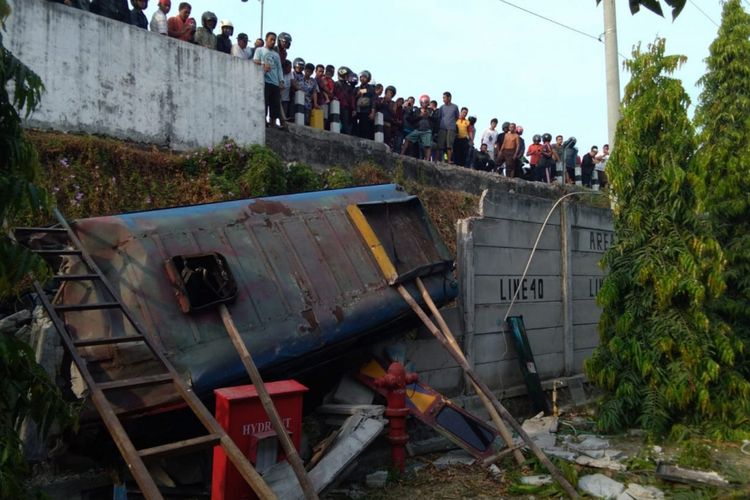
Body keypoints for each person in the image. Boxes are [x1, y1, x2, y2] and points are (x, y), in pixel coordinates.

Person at [253, 32, 286, 130]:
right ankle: (263, 121)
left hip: (275, 82)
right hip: (265, 80)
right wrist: (263, 64)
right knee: (265, 102)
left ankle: (273, 123)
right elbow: (255, 61)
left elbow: (279, 68)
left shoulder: (276, 54)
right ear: (266, 39)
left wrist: (281, 81)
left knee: (275, 104)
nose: (273, 41)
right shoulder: (260, 50)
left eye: (274, 40)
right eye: (271, 39)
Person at [401, 94, 435, 161]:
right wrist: (420, 116)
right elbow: (412, 120)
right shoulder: (417, 110)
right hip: (418, 129)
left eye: (426, 102)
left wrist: (429, 116)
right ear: (420, 103)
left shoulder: (431, 111)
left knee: (427, 145)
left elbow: (435, 120)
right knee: (407, 139)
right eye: (423, 102)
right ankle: (401, 154)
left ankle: (427, 160)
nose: (424, 104)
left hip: (427, 130)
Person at [436, 91, 459, 163]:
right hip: (442, 128)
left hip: (451, 128)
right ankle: (437, 159)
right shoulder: (441, 107)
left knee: (449, 146)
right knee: (440, 145)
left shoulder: (455, 107)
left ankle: (449, 160)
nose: (443, 99)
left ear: (449, 98)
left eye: (444, 98)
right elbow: (439, 117)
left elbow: (456, 117)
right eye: (443, 98)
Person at [333, 66, 355, 135]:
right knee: (335, 121)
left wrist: (353, 109)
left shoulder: (349, 87)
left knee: (345, 124)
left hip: (345, 107)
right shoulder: (336, 84)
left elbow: (352, 99)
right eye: (347, 75)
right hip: (336, 106)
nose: (348, 77)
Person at [354, 70, 375, 139]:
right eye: (361, 77)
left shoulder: (371, 88)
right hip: (357, 110)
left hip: (366, 111)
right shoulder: (356, 88)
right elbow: (353, 97)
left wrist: (372, 112)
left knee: (364, 128)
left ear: (368, 79)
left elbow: (373, 101)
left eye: (364, 77)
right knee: (355, 127)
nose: (362, 79)